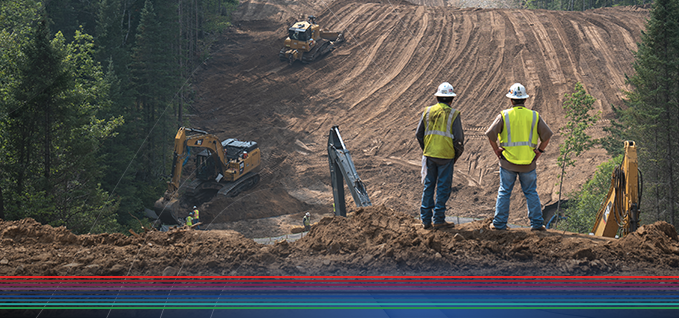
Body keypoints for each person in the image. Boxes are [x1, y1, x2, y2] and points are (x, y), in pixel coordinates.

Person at [485, 83, 552, 231]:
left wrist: (497, 150)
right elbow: (547, 136)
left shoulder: (504, 115)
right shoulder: (534, 116)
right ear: (525, 100)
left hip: (507, 162)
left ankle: (499, 224)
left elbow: (490, 134)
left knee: (504, 191)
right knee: (531, 192)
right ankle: (536, 224)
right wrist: (539, 151)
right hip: (528, 162)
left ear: (511, 100)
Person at [416, 82, 464, 230]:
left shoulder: (428, 111)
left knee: (429, 186)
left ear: (437, 98)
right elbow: (459, 139)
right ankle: (438, 219)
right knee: (443, 188)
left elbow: (419, 134)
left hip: (430, 155)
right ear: (451, 99)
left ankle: (425, 220)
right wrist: (456, 155)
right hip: (446, 156)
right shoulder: (453, 114)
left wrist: (427, 148)